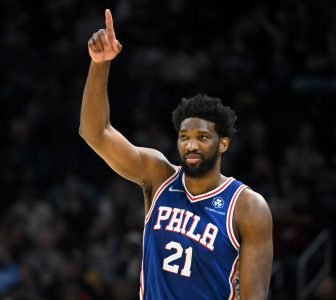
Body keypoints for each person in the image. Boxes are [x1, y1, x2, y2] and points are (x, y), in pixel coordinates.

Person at [79, 9, 273, 300]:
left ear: (223, 144)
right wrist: (99, 64)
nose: (191, 145)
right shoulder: (158, 176)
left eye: (202, 137)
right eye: (184, 137)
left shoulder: (247, 207)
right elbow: (96, 133)